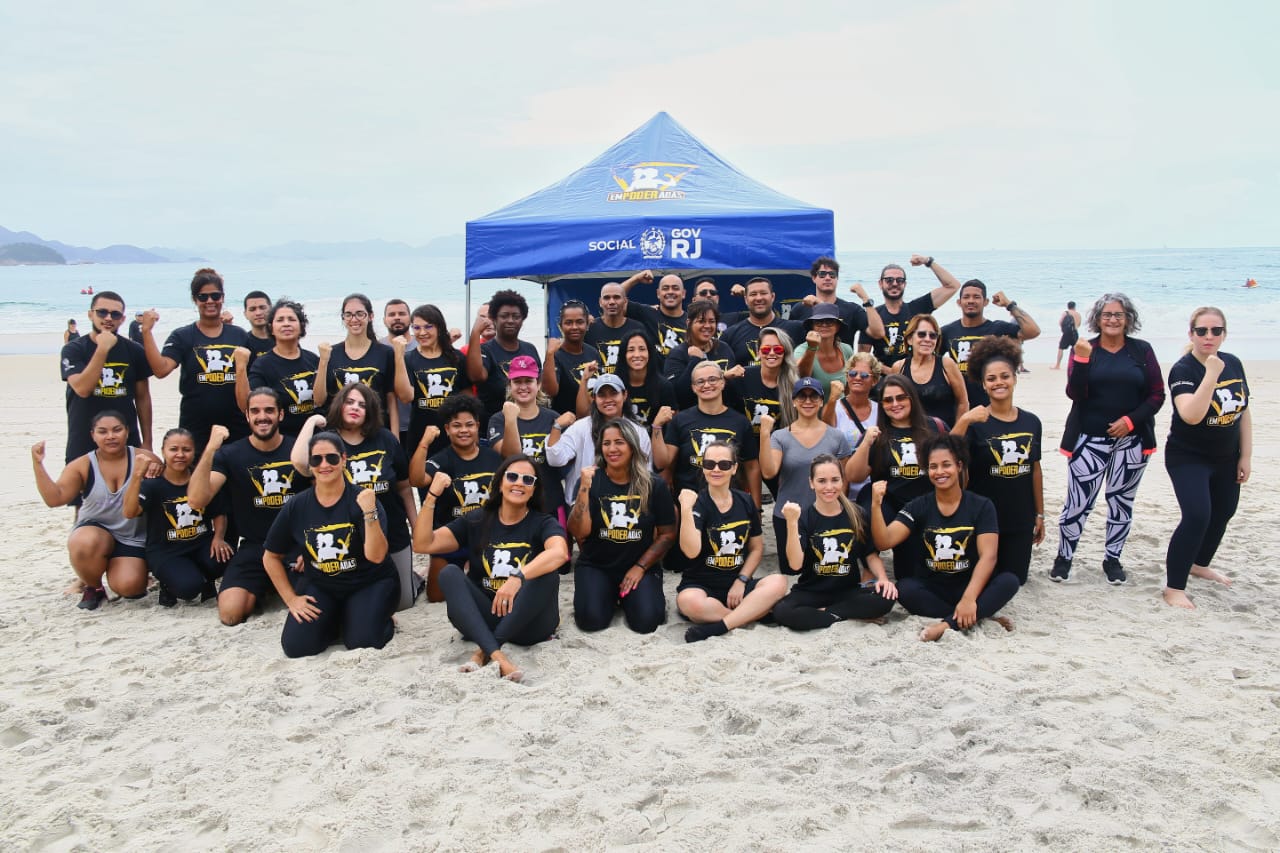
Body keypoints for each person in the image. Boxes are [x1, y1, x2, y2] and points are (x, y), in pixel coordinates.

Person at [413, 456, 569, 682]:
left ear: (534, 489)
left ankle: (483, 652)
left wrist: (517, 578)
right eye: (512, 476)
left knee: (548, 573)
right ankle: (498, 655)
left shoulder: (542, 522)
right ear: (499, 482)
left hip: (529, 624)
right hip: (485, 617)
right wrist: (432, 496)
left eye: (527, 479)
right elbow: (422, 544)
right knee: (449, 573)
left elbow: (559, 553)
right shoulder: (477, 519)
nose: (519, 483)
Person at [1054, 293, 1164, 585]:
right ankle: (1064, 557)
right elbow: (1075, 394)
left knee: (1121, 503)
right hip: (1089, 440)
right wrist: (1081, 360)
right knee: (1077, 503)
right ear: (1097, 319)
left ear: (1128, 319)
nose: (1113, 320)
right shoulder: (1084, 348)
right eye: (1107, 315)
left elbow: (1157, 394)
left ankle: (1112, 559)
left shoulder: (1141, 351)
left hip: (1132, 442)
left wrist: (1130, 421)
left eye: (1119, 315)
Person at [871, 434, 1018, 642]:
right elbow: (884, 541)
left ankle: (947, 624)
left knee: (1009, 581)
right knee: (904, 588)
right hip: (934, 587)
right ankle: (974, 617)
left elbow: (989, 557)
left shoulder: (982, 505)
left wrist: (968, 598)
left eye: (946, 465)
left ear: (959, 466)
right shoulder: (919, 505)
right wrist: (876, 505)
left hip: (971, 585)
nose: (939, 472)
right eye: (933, 466)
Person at [263, 431, 397, 657]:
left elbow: (376, 556)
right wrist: (291, 599)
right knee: (297, 647)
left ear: (344, 460)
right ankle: (340, 618)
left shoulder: (363, 499)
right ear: (310, 464)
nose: (324, 465)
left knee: (362, 642)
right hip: (322, 584)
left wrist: (369, 513)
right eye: (317, 459)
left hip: (368, 581)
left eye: (332, 458)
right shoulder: (298, 505)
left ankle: (379, 617)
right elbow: (270, 556)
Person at [187, 389, 310, 626]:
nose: (262, 417)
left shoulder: (298, 452)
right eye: (255, 411)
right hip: (256, 546)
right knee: (230, 614)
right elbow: (196, 500)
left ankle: (278, 583)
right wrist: (211, 449)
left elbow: (324, 499)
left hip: (295, 545)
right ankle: (267, 584)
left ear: (281, 415)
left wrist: (309, 544)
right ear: (247, 416)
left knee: (316, 604)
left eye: (269, 411)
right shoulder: (230, 454)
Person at [292, 384, 419, 612]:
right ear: (339, 405)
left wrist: (417, 527)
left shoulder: (386, 439)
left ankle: (413, 577)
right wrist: (311, 422)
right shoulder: (327, 441)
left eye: (362, 405)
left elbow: (404, 487)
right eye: (350, 402)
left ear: (370, 412)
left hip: (391, 532)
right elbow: (301, 464)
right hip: (346, 537)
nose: (355, 408)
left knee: (403, 603)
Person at [1162, 307, 1251, 609]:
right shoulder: (1184, 369)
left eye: (1215, 331)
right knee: (1198, 515)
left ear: (1224, 333)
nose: (1209, 336)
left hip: (1227, 457)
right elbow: (1190, 414)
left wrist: (1246, 456)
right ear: (1192, 334)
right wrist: (1211, 374)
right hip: (1188, 457)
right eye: (1202, 331)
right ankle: (1174, 587)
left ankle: (1198, 564)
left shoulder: (1234, 363)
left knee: (1223, 512)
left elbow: (1243, 412)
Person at [32, 411, 152, 610]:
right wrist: (38, 464)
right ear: (92, 435)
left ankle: (125, 570)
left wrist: (157, 474)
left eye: (117, 430)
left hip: (132, 535)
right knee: (82, 542)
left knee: (130, 587)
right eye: (102, 431)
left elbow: (171, 489)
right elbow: (55, 499)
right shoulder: (83, 465)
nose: (110, 436)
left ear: (127, 431)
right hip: (96, 531)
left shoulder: (145, 459)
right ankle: (94, 587)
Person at [949, 337, 1044, 585]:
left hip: (1020, 517)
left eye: (1005, 376)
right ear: (983, 384)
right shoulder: (976, 421)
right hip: (984, 518)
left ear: (1015, 378)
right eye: (991, 378)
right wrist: (964, 421)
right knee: (984, 578)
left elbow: (1035, 470)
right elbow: (946, 453)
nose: (999, 382)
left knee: (1015, 580)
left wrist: (1040, 514)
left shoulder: (1032, 421)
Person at [568, 420, 676, 633]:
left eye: (619, 442)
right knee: (591, 622)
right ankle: (608, 593)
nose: (612, 449)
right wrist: (583, 490)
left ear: (632, 446)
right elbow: (578, 532)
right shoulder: (590, 480)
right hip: (597, 565)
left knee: (647, 622)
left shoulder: (654, 484)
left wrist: (640, 567)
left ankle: (628, 596)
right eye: (606, 443)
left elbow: (667, 534)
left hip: (639, 565)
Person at [676, 441, 786, 642]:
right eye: (710, 464)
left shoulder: (745, 501)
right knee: (688, 602)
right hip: (701, 585)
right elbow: (691, 552)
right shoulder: (697, 503)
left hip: (738, 585)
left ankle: (719, 626)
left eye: (724, 464)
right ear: (703, 467)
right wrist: (685, 509)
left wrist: (742, 580)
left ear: (734, 468)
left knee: (779, 581)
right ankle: (748, 615)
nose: (716, 469)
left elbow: (756, 548)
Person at [775, 455, 897, 629]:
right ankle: (839, 615)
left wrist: (883, 578)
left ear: (843, 481)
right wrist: (792, 524)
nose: (829, 487)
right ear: (812, 483)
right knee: (783, 611)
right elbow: (795, 565)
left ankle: (827, 613)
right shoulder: (804, 518)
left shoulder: (857, 514)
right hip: (812, 591)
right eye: (822, 481)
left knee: (887, 596)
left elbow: (869, 554)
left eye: (835, 480)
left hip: (847, 591)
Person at [140, 268, 252, 455]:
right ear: (195, 300)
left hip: (237, 424)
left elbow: (253, 378)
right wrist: (146, 332)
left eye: (215, 296)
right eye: (203, 297)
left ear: (223, 298)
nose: (210, 301)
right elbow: (161, 370)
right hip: (196, 425)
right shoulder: (182, 336)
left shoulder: (239, 335)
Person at [845, 374, 945, 580]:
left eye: (901, 398)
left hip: (925, 504)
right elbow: (853, 475)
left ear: (912, 399)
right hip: (890, 503)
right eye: (888, 400)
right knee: (865, 508)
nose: (895, 404)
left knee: (909, 575)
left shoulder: (935, 428)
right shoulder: (877, 434)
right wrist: (865, 443)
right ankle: (869, 569)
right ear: (882, 405)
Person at [124, 427, 232, 606]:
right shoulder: (153, 485)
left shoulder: (200, 480)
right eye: (174, 449)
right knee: (189, 588)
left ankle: (206, 579)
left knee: (225, 559)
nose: (180, 455)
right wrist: (137, 476)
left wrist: (219, 537)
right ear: (163, 452)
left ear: (194, 452)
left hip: (199, 542)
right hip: (166, 551)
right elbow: (129, 512)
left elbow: (219, 512)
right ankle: (168, 585)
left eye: (186, 450)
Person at [410, 394, 503, 600]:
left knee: (483, 586)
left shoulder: (494, 458)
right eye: (456, 425)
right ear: (447, 429)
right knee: (436, 596)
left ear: (478, 426)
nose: (463, 430)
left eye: (469, 425)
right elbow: (416, 479)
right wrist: (424, 443)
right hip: (452, 534)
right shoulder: (442, 459)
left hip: (487, 534)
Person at [758, 377, 852, 549]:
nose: (808, 401)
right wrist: (764, 434)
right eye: (802, 396)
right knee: (791, 571)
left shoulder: (836, 437)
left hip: (825, 515)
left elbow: (843, 480)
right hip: (787, 515)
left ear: (821, 401)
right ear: (794, 401)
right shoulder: (780, 436)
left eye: (813, 396)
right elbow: (769, 472)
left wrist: (840, 513)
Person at [61, 290, 153, 462]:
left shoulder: (134, 351)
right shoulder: (74, 349)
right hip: (83, 440)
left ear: (123, 319)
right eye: (102, 312)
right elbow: (82, 388)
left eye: (115, 314)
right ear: (90, 314)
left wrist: (147, 441)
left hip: (126, 438)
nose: (108, 318)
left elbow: (143, 398)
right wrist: (103, 348)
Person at [654, 360, 760, 507]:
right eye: (700, 381)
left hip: (729, 505)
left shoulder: (740, 422)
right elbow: (663, 463)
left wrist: (757, 507)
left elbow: (752, 467)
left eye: (713, 379)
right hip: (689, 505)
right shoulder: (680, 420)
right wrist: (656, 427)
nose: (707, 385)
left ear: (723, 383)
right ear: (693, 387)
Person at [546, 373, 652, 503]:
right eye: (602, 395)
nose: (608, 399)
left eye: (613, 393)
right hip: (582, 501)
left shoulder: (638, 432)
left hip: (626, 501)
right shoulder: (580, 427)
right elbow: (555, 459)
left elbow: (646, 471)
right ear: (594, 398)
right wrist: (556, 426)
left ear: (624, 395)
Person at [313, 293, 410, 435]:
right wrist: (323, 362)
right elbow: (319, 400)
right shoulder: (330, 353)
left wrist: (395, 438)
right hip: (338, 433)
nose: (354, 319)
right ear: (343, 318)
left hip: (374, 431)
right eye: (348, 315)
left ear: (370, 316)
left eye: (360, 314)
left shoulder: (385, 353)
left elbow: (391, 401)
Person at [488, 355, 568, 526]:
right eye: (517, 382)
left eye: (528, 381)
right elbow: (511, 456)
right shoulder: (498, 420)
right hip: (514, 505)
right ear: (510, 385)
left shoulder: (553, 418)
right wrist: (510, 419)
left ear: (538, 384)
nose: (523, 387)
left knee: (559, 551)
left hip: (551, 502)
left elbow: (564, 462)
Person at [940, 279, 1041, 405]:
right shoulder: (947, 332)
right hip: (958, 406)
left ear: (985, 302)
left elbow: (1033, 331)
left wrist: (1009, 305)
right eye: (966, 297)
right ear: (959, 302)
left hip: (992, 405)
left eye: (976, 297)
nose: (971, 300)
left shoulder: (997, 329)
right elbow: (931, 362)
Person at [236, 299, 319, 436]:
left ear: (301, 326)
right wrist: (240, 368)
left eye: (291, 319)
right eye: (280, 320)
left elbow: (323, 401)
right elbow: (246, 404)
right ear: (271, 328)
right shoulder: (263, 365)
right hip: (282, 439)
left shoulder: (313, 359)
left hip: (315, 437)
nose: (286, 324)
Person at [866, 255, 963, 365]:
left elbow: (952, 286)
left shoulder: (917, 308)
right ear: (880, 283)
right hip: (885, 378)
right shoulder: (873, 315)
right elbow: (864, 355)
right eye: (889, 280)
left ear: (905, 284)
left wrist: (928, 262)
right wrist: (886, 371)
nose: (894, 284)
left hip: (916, 375)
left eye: (900, 280)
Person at [404, 303, 472, 458]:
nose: (422, 332)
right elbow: (406, 396)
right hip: (421, 433)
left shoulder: (457, 357)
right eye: (416, 328)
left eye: (428, 327)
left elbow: (467, 397)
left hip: (454, 434)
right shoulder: (408, 359)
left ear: (439, 327)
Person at [468, 289, 541, 423]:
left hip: (526, 426)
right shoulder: (486, 350)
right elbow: (476, 376)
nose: (510, 320)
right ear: (494, 318)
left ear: (523, 319)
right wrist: (475, 333)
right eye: (504, 316)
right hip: (492, 427)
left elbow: (539, 387)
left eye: (516, 316)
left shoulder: (530, 349)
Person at [822, 352, 883, 499]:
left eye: (864, 375)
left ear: (874, 380)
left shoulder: (881, 411)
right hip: (838, 487)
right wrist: (832, 398)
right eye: (853, 373)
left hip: (870, 487)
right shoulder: (834, 407)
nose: (857, 378)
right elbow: (826, 431)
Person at [787, 257, 884, 350]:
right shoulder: (800, 309)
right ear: (814, 278)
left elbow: (878, 333)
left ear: (837, 278)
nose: (828, 278)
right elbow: (790, 342)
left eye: (832, 274)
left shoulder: (852, 309)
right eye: (822, 274)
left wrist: (865, 298)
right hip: (808, 364)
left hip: (842, 364)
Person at [891, 314, 968, 427]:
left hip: (943, 439)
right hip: (911, 437)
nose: (927, 339)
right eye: (922, 334)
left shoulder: (947, 365)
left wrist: (956, 436)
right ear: (910, 339)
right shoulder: (899, 367)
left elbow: (963, 403)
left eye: (933, 336)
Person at [662, 299, 740, 410]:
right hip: (692, 418)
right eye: (701, 321)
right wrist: (695, 360)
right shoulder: (678, 354)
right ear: (689, 323)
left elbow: (734, 393)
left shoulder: (724, 348)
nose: (707, 326)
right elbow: (677, 394)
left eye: (711, 321)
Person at [720, 277, 806, 367]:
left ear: (772, 297)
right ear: (746, 299)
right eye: (753, 294)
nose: (759, 298)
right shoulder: (730, 335)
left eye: (763, 293)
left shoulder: (796, 329)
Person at [542, 299, 603, 418]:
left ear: (587, 324)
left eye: (579, 322)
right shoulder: (555, 355)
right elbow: (549, 392)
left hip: (593, 422)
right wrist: (549, 355)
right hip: (567, 425)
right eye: (568, 322)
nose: (574, 327)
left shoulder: (593, 352)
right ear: (560, 325)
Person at [585, 281, 650, 374]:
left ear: (625, 301)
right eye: (607, 298)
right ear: (600, 302)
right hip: (599, 386)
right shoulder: (589, 328)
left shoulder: (638, 328)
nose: (612, 302)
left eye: (616, 297)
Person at [622, 270, 688, 361]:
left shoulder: (691, 322)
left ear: (683, 294)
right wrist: (636, 279)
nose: (670, 292)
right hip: (655, 374)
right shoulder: (648, 313)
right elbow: (615, 300)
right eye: (665, 288)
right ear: (658, 293)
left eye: (675, 288)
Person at [617, 328, 677, 428]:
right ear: (624, 355)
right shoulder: (616, 385)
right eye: (631, 350)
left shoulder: (664, 386)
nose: (637, 355)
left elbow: (672, 426)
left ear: (650, 353)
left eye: (642, 349)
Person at [796, 302, 855, 396]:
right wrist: (812, 348)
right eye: (818, 322)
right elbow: (802, 378)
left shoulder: (847, 349)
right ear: (812, 326)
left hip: (840, 409)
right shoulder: (801, 350)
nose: (824, 325)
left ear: (837, 326)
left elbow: (850, 386)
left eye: (829, 322)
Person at [381, 298, 413, 444]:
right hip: (385, 424)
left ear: (411, 318)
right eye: (391, 314)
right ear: (384, 320)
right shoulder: (377, 348)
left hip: (416, 423)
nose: (397, 317)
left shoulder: (422, 344)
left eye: (402, 313)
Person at [242, 290, 274, 362]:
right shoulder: (243, 343)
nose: (258, 313)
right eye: (252, 309)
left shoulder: (283, 339)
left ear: (271, 309)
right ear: (245, 314)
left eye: (262, 308)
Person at [1052, 301, 1082, 370]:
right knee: (1076, 349)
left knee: (1061, 348)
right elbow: (1079, 324)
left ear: (1068, 306)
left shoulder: (1066, 312)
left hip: (1067, 333)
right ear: (1074, 306)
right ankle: (1076, 366)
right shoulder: (1078, 314)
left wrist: (1064, 329)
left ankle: (1057, 365)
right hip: (1075, 333)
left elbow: (1060, 322)